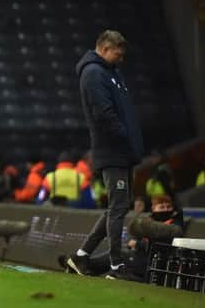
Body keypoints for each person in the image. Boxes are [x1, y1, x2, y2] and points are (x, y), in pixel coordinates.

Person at [66, 30, 143, 281]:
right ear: (105, 48)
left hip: (121, 150)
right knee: (118, 208)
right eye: (118, 53)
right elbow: (104, 115)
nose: (121, 58)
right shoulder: (93, 73)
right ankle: (117, 266)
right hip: (113, 150)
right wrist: (125, 137)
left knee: (115, 208)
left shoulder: (111, 73)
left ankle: (80, 256)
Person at [59, 195, 183, 280]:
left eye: (168, 207)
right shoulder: (149, 221)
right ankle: (79, 265)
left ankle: (74, 265)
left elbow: (167, 245)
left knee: (119, 256)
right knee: (116, 255)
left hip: (149, 261)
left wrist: (138, 244)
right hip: (137, 255)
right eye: (162, 207)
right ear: (153, 209)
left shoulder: (174, 225)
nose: (165, 210)